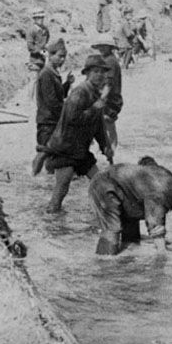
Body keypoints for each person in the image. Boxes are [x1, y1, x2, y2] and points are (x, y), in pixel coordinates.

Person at [39, 54, 112, 213]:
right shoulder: (80, 92)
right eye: (95, 72)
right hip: (66, 148)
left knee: (100, 182)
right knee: (62, 187)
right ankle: (51, 219)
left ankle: (103, 213)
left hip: (80, 149)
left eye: (102, 72)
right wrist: (95, 108)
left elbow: (98, 125)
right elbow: (73, 118)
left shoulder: (95, 94)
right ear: (87, 73)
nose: (99, 75)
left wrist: (105, 146)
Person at [88, 156, 172, 255]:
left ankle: (123, 269)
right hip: (105, 185)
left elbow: (146, 161)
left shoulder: (166, 176)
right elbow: (155, 224)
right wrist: (162, 255)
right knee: (112, 230)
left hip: (125, 194)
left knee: (132, 240)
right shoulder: (161, 190)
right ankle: (103, 264)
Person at [31, 39, 74, 175]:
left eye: (64, 57)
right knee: (45, 153)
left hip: (52, 120)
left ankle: (44, 181)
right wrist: (68, 112)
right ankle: (34, 178)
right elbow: (52, 102)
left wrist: (67, 84)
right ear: (51, 55)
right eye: (60, 56)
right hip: (47, 121)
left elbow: (58, 94)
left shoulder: (52, 72)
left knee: (51, 154)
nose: (62, 60)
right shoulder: (46, 74)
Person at [91, 39, 124, 156]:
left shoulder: (110, 61)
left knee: (107, 125)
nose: (101, 49)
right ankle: (109, 151)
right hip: (110, 99)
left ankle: (111, 151)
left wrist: (101, 99)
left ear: (110, 47)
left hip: (110, 100)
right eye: (100, 46)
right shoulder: (107, 60)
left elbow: (108, 84)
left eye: (104, 46)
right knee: (107, 126)